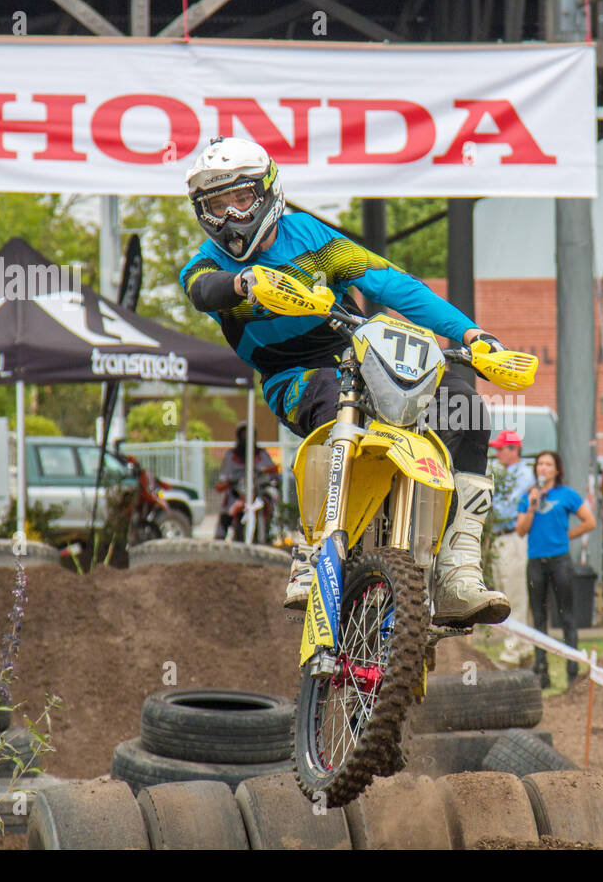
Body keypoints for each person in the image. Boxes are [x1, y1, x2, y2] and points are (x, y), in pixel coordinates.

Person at [178, 136, 514, 627]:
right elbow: (202, 291)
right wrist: (243, 283)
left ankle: (457, 571)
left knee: (463, 404)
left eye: (240, 199)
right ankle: (314, 551)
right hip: (292, 376)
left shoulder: (313, 238)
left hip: (363, 355)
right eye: (217, 205)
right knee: (336, 400)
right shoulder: (207, 263)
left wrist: (470, 332)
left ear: (267, 193)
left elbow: (390, 282)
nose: (230, 216)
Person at [515, 450, 596, 688]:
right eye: (539, 464)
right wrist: (531, 506)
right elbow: (521, 530)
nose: (543, 468)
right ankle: (542, 673)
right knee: (539, 618)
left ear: (557, 470)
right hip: (536, 563)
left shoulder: (567, 495)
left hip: (560, 561)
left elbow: (589, 521)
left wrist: (566, 535)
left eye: (548, 464)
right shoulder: (528, 496)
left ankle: (572, 671)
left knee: (566, 616)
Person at [488, 430, 534, 624]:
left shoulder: (524, 475)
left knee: (514, 592)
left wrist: (488, 508)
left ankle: (514, 649)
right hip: (499, 537)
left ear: (514, 450)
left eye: (500, 449)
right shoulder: (500, 471)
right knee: (503, 590)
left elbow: (507, 509)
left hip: (514, 536)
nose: (497, 454)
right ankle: (519, 648)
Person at [213, 421, 276, 540]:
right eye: (243, 435)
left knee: (268, 504)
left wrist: (263, 471)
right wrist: (231, 482)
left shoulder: (261, 454)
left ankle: (268, 534)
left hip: (258, 491)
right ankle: (220, 537)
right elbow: (223, 480)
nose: (246, 438)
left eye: (249, 435)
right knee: (228, 510)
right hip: (237, 493)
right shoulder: (232, 455)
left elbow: (273, 470)